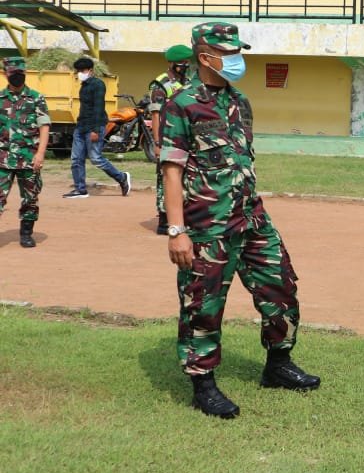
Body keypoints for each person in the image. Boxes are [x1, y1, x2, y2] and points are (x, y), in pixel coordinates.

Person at [161, 21, 320, 419]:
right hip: (207, 225)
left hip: (252, 218)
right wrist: (176, 230)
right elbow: (171, 171)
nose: (237, 60)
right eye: (229, 54)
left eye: (237, 52)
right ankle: (203, 385)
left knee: (281, 288)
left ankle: (278, 365)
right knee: (203, 306)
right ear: (205, 57)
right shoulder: (181, 104)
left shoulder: (240, 102)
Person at [0, 56, 50, 248]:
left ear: (25, 74)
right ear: (6, 74)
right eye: (13, 74)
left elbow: (44, 126)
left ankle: (26, 233)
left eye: (20, 74)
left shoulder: (36, 98)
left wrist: (41, 154)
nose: (17, 77)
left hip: (29, 157)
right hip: (2, 158)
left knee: (30, 197)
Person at [64, 56, 131, 199]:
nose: (80, 73)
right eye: (78, 71)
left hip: (95, 126)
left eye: (83, 70)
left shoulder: (98, 84)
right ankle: (80, 189)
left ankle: (122, 177)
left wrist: (95, 130)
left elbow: (98, 108)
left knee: (95, 158)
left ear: (91, 70)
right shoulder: (83, 86)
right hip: (81, 126)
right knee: (76, 159)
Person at [148, 44, 193, 234]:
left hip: (186, 137)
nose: (185, 65)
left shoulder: (189, 82)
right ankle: (164, 218)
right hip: (167, 138)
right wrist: (157, 143)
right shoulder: (160, 84)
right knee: (166, 176)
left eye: (187, 62)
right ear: (171, 63)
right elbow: (156, 115)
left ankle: (184, 214)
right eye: (181, 62)